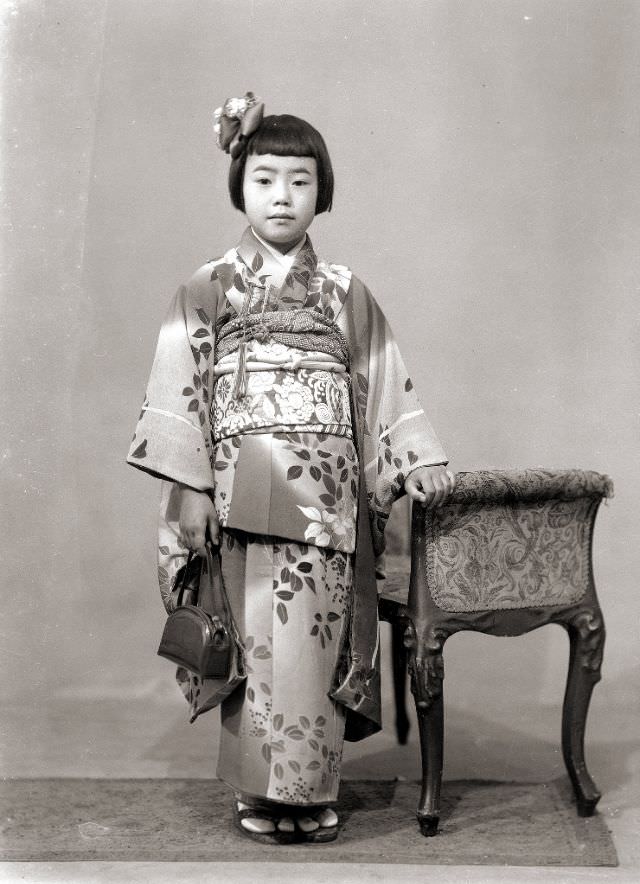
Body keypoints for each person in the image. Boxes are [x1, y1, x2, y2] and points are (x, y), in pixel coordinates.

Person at [127, 92, 455, 844]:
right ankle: (259, 793)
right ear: (240, 185)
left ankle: (309, 793)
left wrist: (416, 458)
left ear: (323, 192)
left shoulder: (347, 293)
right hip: (240, 487)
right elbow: (180, 387)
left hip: (328, 494)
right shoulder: (207, 286)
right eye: (266, 177)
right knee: (253, 642)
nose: (283, 195)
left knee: (316, 639)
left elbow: (382, 382)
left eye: (300, 180)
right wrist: (192, 486)